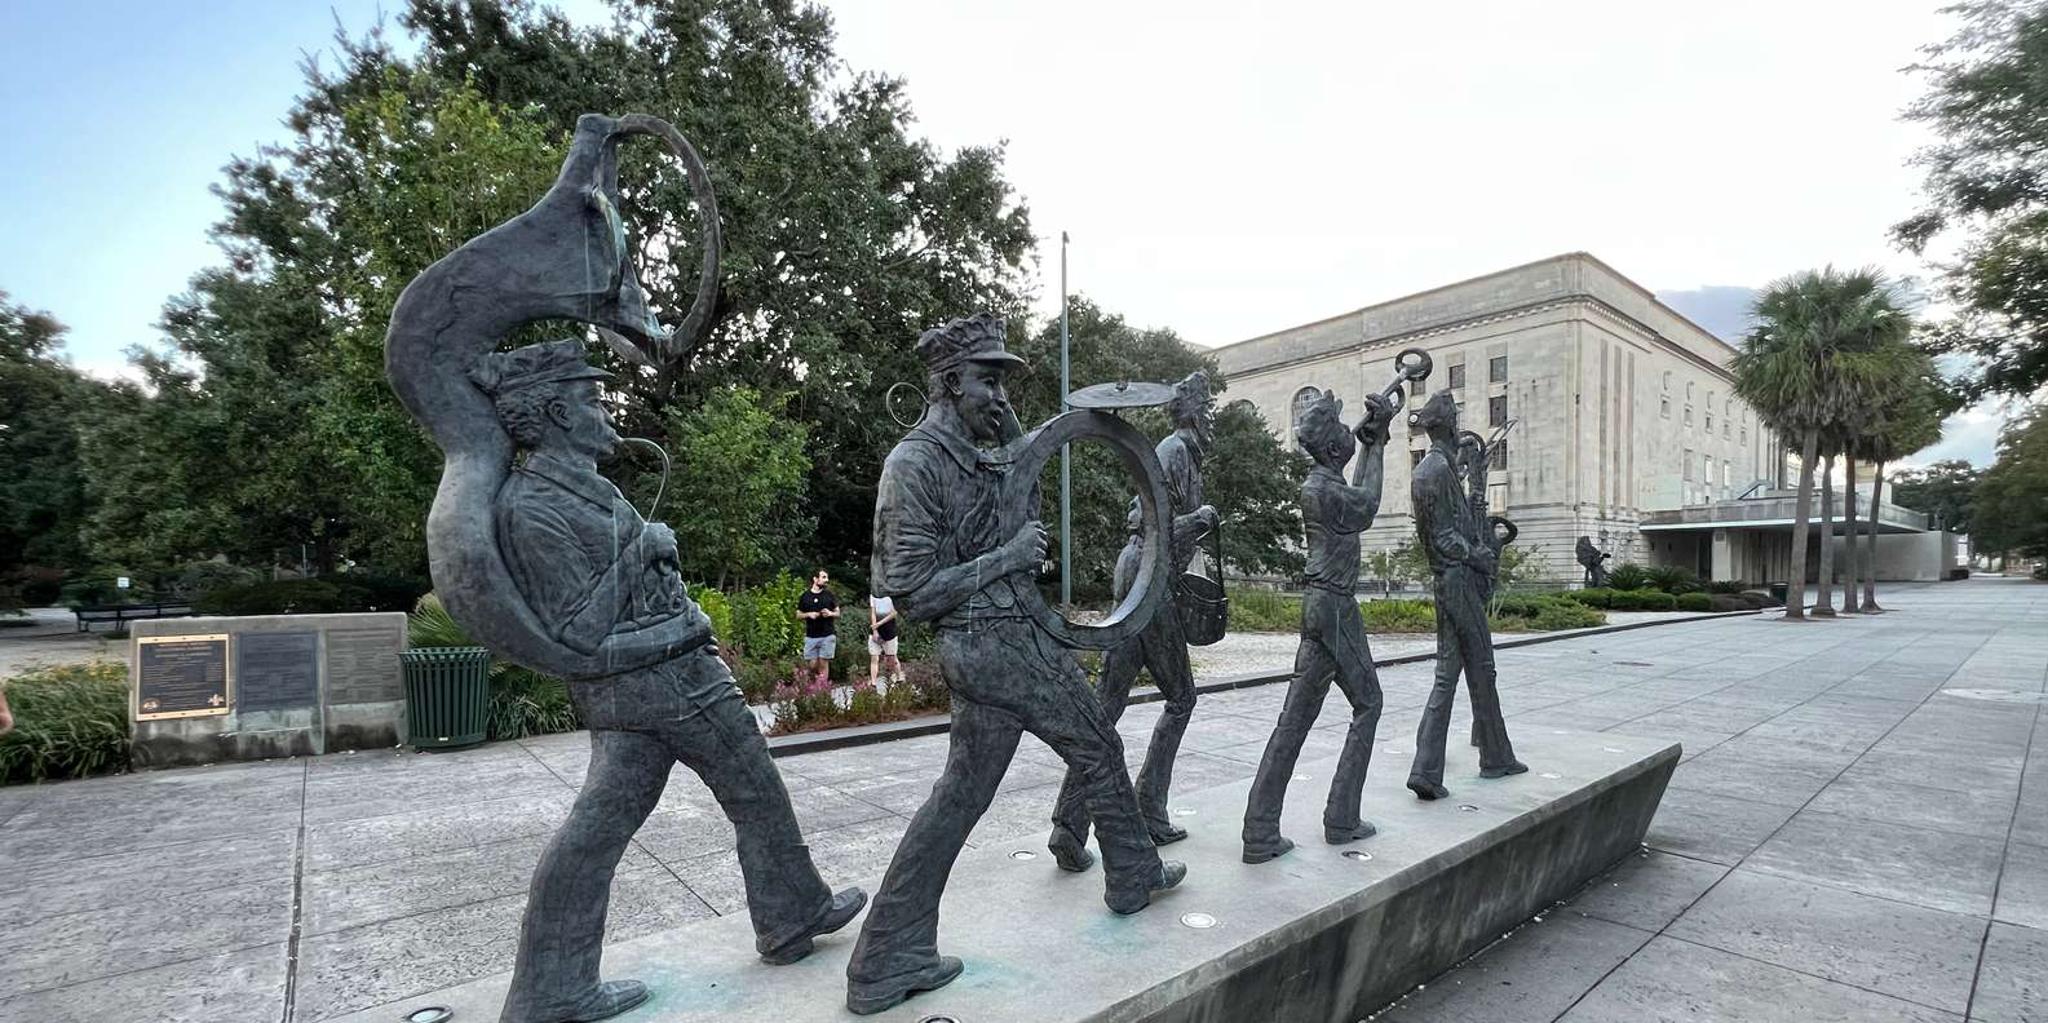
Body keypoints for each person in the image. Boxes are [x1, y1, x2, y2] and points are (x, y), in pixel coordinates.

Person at [476, 340, 865, 1023]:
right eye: (595, 401)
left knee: (601, 826)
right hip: (659, 679)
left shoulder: (589, 487)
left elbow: (634, 592)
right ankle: (789, 914)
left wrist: (686, 609)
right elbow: (578, 630)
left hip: (656, 676)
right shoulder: (530, 506)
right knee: (754, 788)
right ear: (558, 412)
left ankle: (553, 985)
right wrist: (646, 553)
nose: (609, 412)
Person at [845, 312, 1183, 1015]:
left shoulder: (981, 449)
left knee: (962, 795)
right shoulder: (915, 463)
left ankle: (886, 953)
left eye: (1004, 382)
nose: (1001, 395)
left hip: (1006, 638)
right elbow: (908, 591)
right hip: (991, 644)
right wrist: (1006, 556)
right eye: (987, 380)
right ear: (946, 381)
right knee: (1096, 741)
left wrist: (1075, 421)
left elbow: (1030, 458)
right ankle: (1131, 872)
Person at [1049, 370, 1217, 855]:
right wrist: (1200, 519)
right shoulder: (1175, 449)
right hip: (1147, 573)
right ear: (1192, 413)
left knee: (1107, 705)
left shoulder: (1186, 454)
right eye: (1206, 410)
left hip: (1144, 572)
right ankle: (1148, 807)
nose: (1211, 420)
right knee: (1181, 697)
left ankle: (1068, 824)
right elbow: (1148, 520)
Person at [1240, 387, 1395, 863]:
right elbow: (1368, 505)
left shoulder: (1323, 483)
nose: (1351, 435)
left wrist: (1371, 440)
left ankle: (1260, 831)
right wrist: (1377, 443)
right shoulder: (1324, 489)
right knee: (1369, 703)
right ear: (1332, 449)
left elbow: (1361, 496)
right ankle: (1342, 817)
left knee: (1294, 722)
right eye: (1343, 432)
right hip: (1334, 608)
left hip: (1321, 608)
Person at [1406, 390, 1526, 800]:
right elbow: (1443, 537)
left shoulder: (1436, 470)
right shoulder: (1434, 472)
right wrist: (1478, 555)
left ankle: (1431, 767)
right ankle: (1494, 758)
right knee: (1481, 669)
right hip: (1455, 580)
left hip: (1450, 580)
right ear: (1450, 426)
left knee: (1452, 673)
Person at [797, 569, 840, 684]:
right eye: (824, 577)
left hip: (827, 634)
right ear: (815, 579)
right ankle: (814, 682)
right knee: (812, 664)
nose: (827, 580)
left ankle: (821, 690)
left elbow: (838, 613)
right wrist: (808, 614)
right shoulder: (805, 596)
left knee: (823, 662)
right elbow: (798, 615)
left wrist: (830, 613)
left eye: (827, 577)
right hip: (811, 635)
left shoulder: (829, 595)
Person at [868, 593, 904, 687]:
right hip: (875, 631)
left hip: (889, 631)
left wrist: (879, 624)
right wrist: (875, 630)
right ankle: (873, 683)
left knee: (892, 657)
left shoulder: (892, 594)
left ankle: (899, 678)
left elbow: (894, 613)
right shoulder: (873, 595)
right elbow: (873, 612)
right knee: (874, 656)